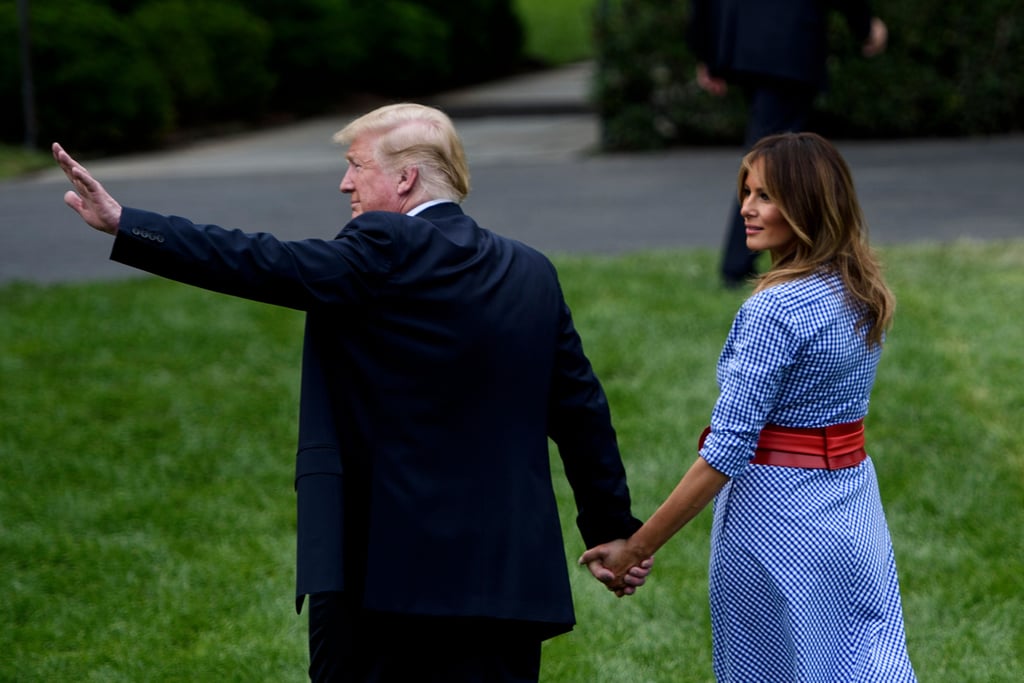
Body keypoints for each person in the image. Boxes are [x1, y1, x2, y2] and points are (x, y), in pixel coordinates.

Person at [52, 102, 652, 683]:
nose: (344, 185)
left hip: (383, 579)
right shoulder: (532, 271)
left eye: (357, 167)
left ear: (406, 178)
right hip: (507, 582)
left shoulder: (383, 247)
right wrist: (611, 528)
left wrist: (127, 224)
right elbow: (580, 412)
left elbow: (261, 261)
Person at [580, 132, 917, 681]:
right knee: (864, 660)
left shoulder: (775, 308)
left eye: (765, 195)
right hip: (854, 508)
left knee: (769, 667)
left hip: (776, 518)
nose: (746, 208)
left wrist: (634, 549)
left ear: (806, 205)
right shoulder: (860, 289)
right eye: (747, 192)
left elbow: (726, 453)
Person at [687, 0, 888, 287]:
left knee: (788, 161)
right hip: (789, 44)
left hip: (744, 41)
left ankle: (805, 258)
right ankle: (738, 265)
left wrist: (708, 51)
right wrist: (866, 27)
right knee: (774, 162)